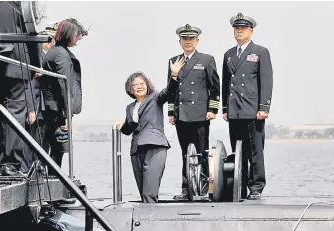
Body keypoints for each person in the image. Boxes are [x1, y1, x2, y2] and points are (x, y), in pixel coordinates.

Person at [0, 1, 41, 176]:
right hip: (15, 60)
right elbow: (31, 26)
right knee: (14, 113)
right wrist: (37, 63)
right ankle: (6, 164)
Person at [114, 57, 185, 203]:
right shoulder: (130, 108)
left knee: (149, 192)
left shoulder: (155, 98)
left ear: (147, 85)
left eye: (142, 83)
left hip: (155, 146)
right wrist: (123, 125)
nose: (139, 86)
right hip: (136, 150)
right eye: (135, 85)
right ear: (130, 89)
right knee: (142, 192)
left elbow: (169, 91)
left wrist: (174, 75)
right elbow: (129, 129)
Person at [222, 13, 273, 200]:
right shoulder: (228, 54)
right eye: (236, 28)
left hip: (253, 110)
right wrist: (225, 110)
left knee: (255, 152)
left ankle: (257, 186)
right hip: (235, 111)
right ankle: (240, 186)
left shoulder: (260, 52)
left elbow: (266, 82)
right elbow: (226, 83)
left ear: (251, 31)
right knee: (238, 152)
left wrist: (264, 107)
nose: (239, 31)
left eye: (243, 28)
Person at [167, 24, 221, 200]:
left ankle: (204, 187)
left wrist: (212, 109)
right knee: (185, 153)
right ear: (179, 41)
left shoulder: (206, 60)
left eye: (191, 39)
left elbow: (214, 86)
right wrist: (170, 112)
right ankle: (186, 189)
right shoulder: (173, 61)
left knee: (202, 152)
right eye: (185, 39)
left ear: (197, 41)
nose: (188, 42)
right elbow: (170, 90)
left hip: (199, 114)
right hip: (181, 114)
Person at [41, 18, 88, 173]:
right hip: (57, 109)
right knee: (57, 149)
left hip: (53, 106)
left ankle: (53, 179)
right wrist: (66, 114)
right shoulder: (61, 55)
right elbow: (64, 85)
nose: (78, 39)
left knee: (53, 148)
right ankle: (54, 181)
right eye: (77, 35)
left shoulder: (55, 52)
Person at [23, 22, 59, 172]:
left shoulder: (49, 59)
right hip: (36, 107)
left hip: (45, 109)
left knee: (43, 144)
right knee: (31, 143)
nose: (51, 43)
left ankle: (38, 171)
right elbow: (29, 86)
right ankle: (28, 171)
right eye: (49, 39)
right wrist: (31, 109)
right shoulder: (36, 58)